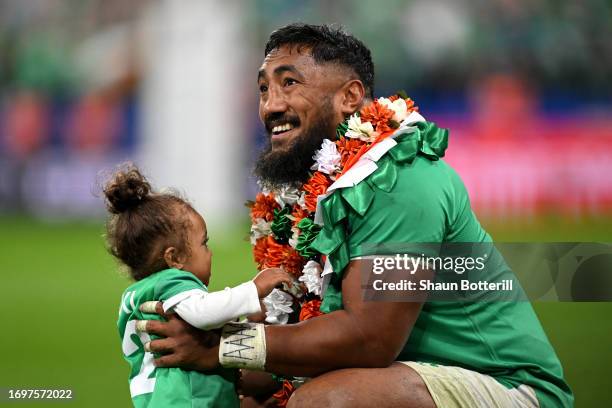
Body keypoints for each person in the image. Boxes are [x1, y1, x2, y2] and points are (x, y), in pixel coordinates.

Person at [137, 24, 574, 408]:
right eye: (264, 88)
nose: (270, 105)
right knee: (242, 397)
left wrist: (225, 347)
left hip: (506, 386)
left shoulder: (400, 179)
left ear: (349, 97)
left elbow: (371, 339)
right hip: (408, 377)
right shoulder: (311, 194)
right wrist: (190, 346)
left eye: (289, 83)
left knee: (326, 402)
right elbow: (293, 338)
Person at [104, 164, 292, 407]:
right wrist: (253, 289)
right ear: (175, 258)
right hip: (186, 400)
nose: (210, 253)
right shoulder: (172, 281)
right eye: (204, 243)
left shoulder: (143, 291)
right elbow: (203, 312)